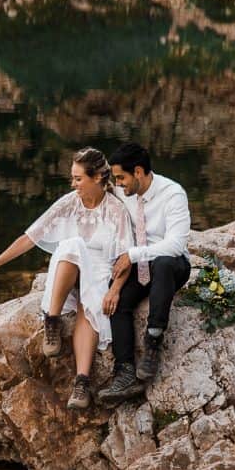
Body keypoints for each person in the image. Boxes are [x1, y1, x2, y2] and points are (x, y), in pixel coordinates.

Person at [0, 147, 134, 410]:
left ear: (97, 178)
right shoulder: (69, 202)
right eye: (73, 178)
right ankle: (52, 320)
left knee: (90, 304)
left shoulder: (116, 210)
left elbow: (126, 256)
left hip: (100, 270)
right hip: (68, 270)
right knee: (70, 246)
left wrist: (114, 290)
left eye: (78, 178)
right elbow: (30, 236)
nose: (73, 184)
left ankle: (81, 382)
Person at [97, 142, 191, 405]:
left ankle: (153, 339)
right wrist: (115, 286)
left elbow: (175, 245)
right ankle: (124, 371)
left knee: (162, 262)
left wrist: (133, 255)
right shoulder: (125, 193)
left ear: (138, 172)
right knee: (117, 302)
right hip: (140, 266)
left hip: (173, 266)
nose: (119, 184)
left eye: (121, 178)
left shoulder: (173, 194)